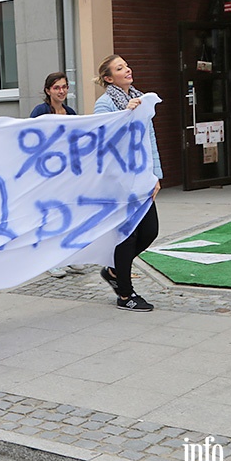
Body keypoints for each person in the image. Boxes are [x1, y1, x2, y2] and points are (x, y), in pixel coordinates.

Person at [93, 55, 161, 312]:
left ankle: (113, 271)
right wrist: (125, 115)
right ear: (109, 78)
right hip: (119, 182)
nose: (127, 69)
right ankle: (125, 294)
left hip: (141, 178)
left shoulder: (140, 98)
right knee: (127, 237)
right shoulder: (105, 104)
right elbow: (103, 140)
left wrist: (156, 174)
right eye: (120, 68)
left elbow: (149, 138)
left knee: (149, 231)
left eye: (126, 65)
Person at [29, 73, 82, 278]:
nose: (61, 91)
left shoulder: (70, 112)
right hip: (46, 173)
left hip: (66, 173)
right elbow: (31, 138)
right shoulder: (41, 111)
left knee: (68, 215)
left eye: (64, 87)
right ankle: (50, 260)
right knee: (50, 217)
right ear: (48, 90)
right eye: (57, 88)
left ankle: (68, 257)